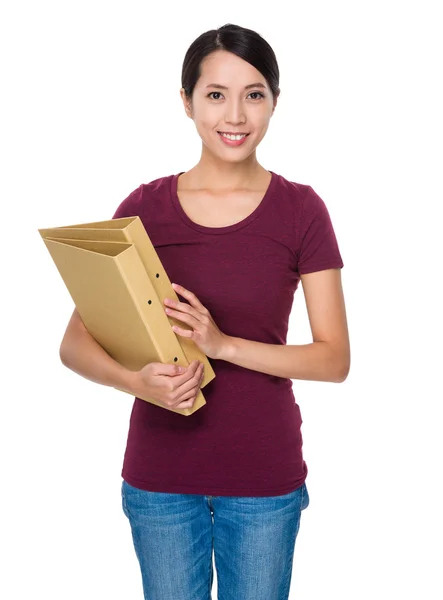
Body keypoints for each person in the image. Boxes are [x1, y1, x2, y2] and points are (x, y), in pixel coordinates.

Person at [59, 22, 350, 600]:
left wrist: (223, 346)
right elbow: (73, 341)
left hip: (264, 481)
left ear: (274, 102)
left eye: (254, 94)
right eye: (215, 95)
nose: (235, 116)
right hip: (161, 481)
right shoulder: (144, 209)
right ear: (187, 101)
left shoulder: (301, 210)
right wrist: (135, 382)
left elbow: (334, 359)